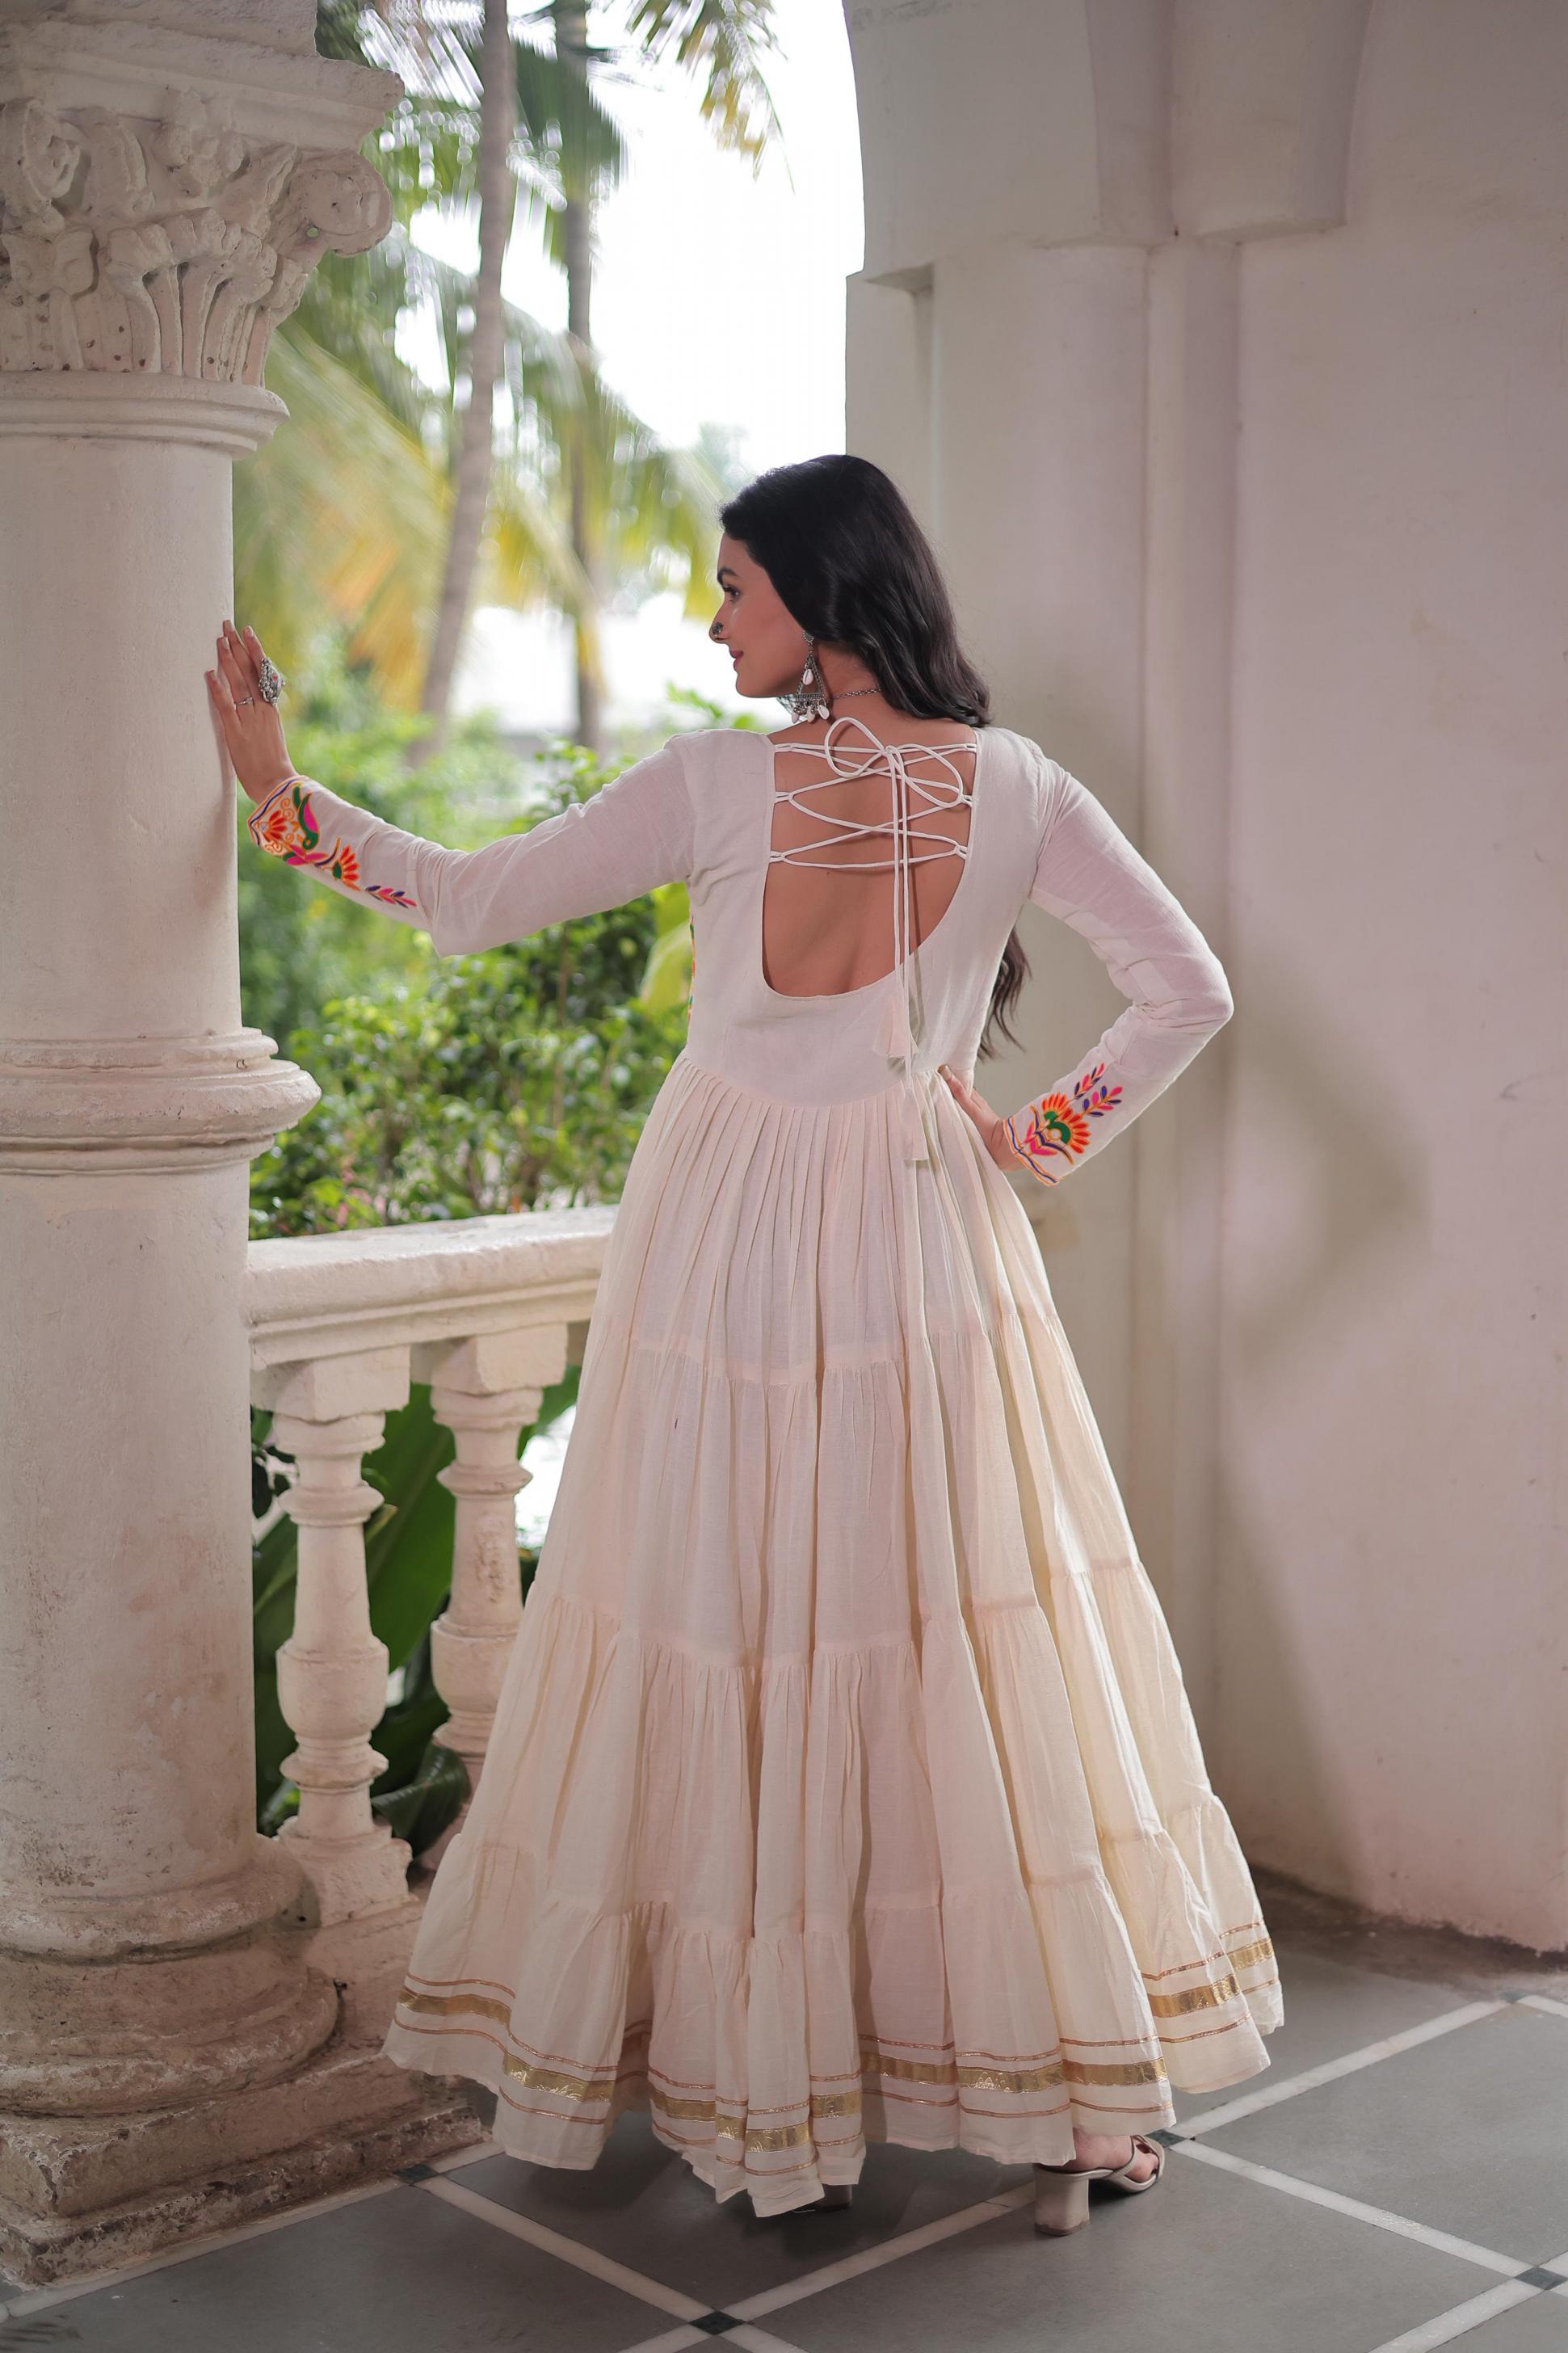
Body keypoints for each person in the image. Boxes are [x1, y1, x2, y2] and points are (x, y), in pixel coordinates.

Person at [208, 452, 1280, 2239]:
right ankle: (1059, 2101)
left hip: (721, 1233)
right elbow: (1187, 990)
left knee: (726, 1606)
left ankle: (768, 2098)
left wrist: (276, 797)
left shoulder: (712, 784)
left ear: (818, 591)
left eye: (731, 584)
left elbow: (465, 899)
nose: (713, 621)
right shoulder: (1018, 785)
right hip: (922, 1224)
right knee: (949, 1620)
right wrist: (1036, 1138)